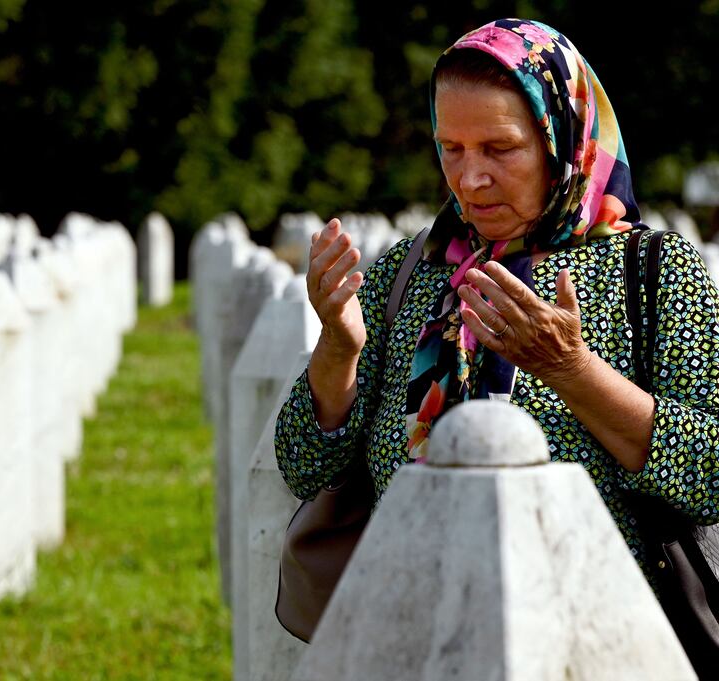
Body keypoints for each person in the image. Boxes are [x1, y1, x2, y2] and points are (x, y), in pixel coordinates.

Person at [274, 16, 719, 669]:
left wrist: (571, 371)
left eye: (499, 148)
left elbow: (711, 476)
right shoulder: (410, 272)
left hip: (598, 650)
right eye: (450, 147)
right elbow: (302, 466)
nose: (470, 178)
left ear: (561, 138)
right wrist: (339, 347)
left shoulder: (653, 274)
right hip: (414, 643)